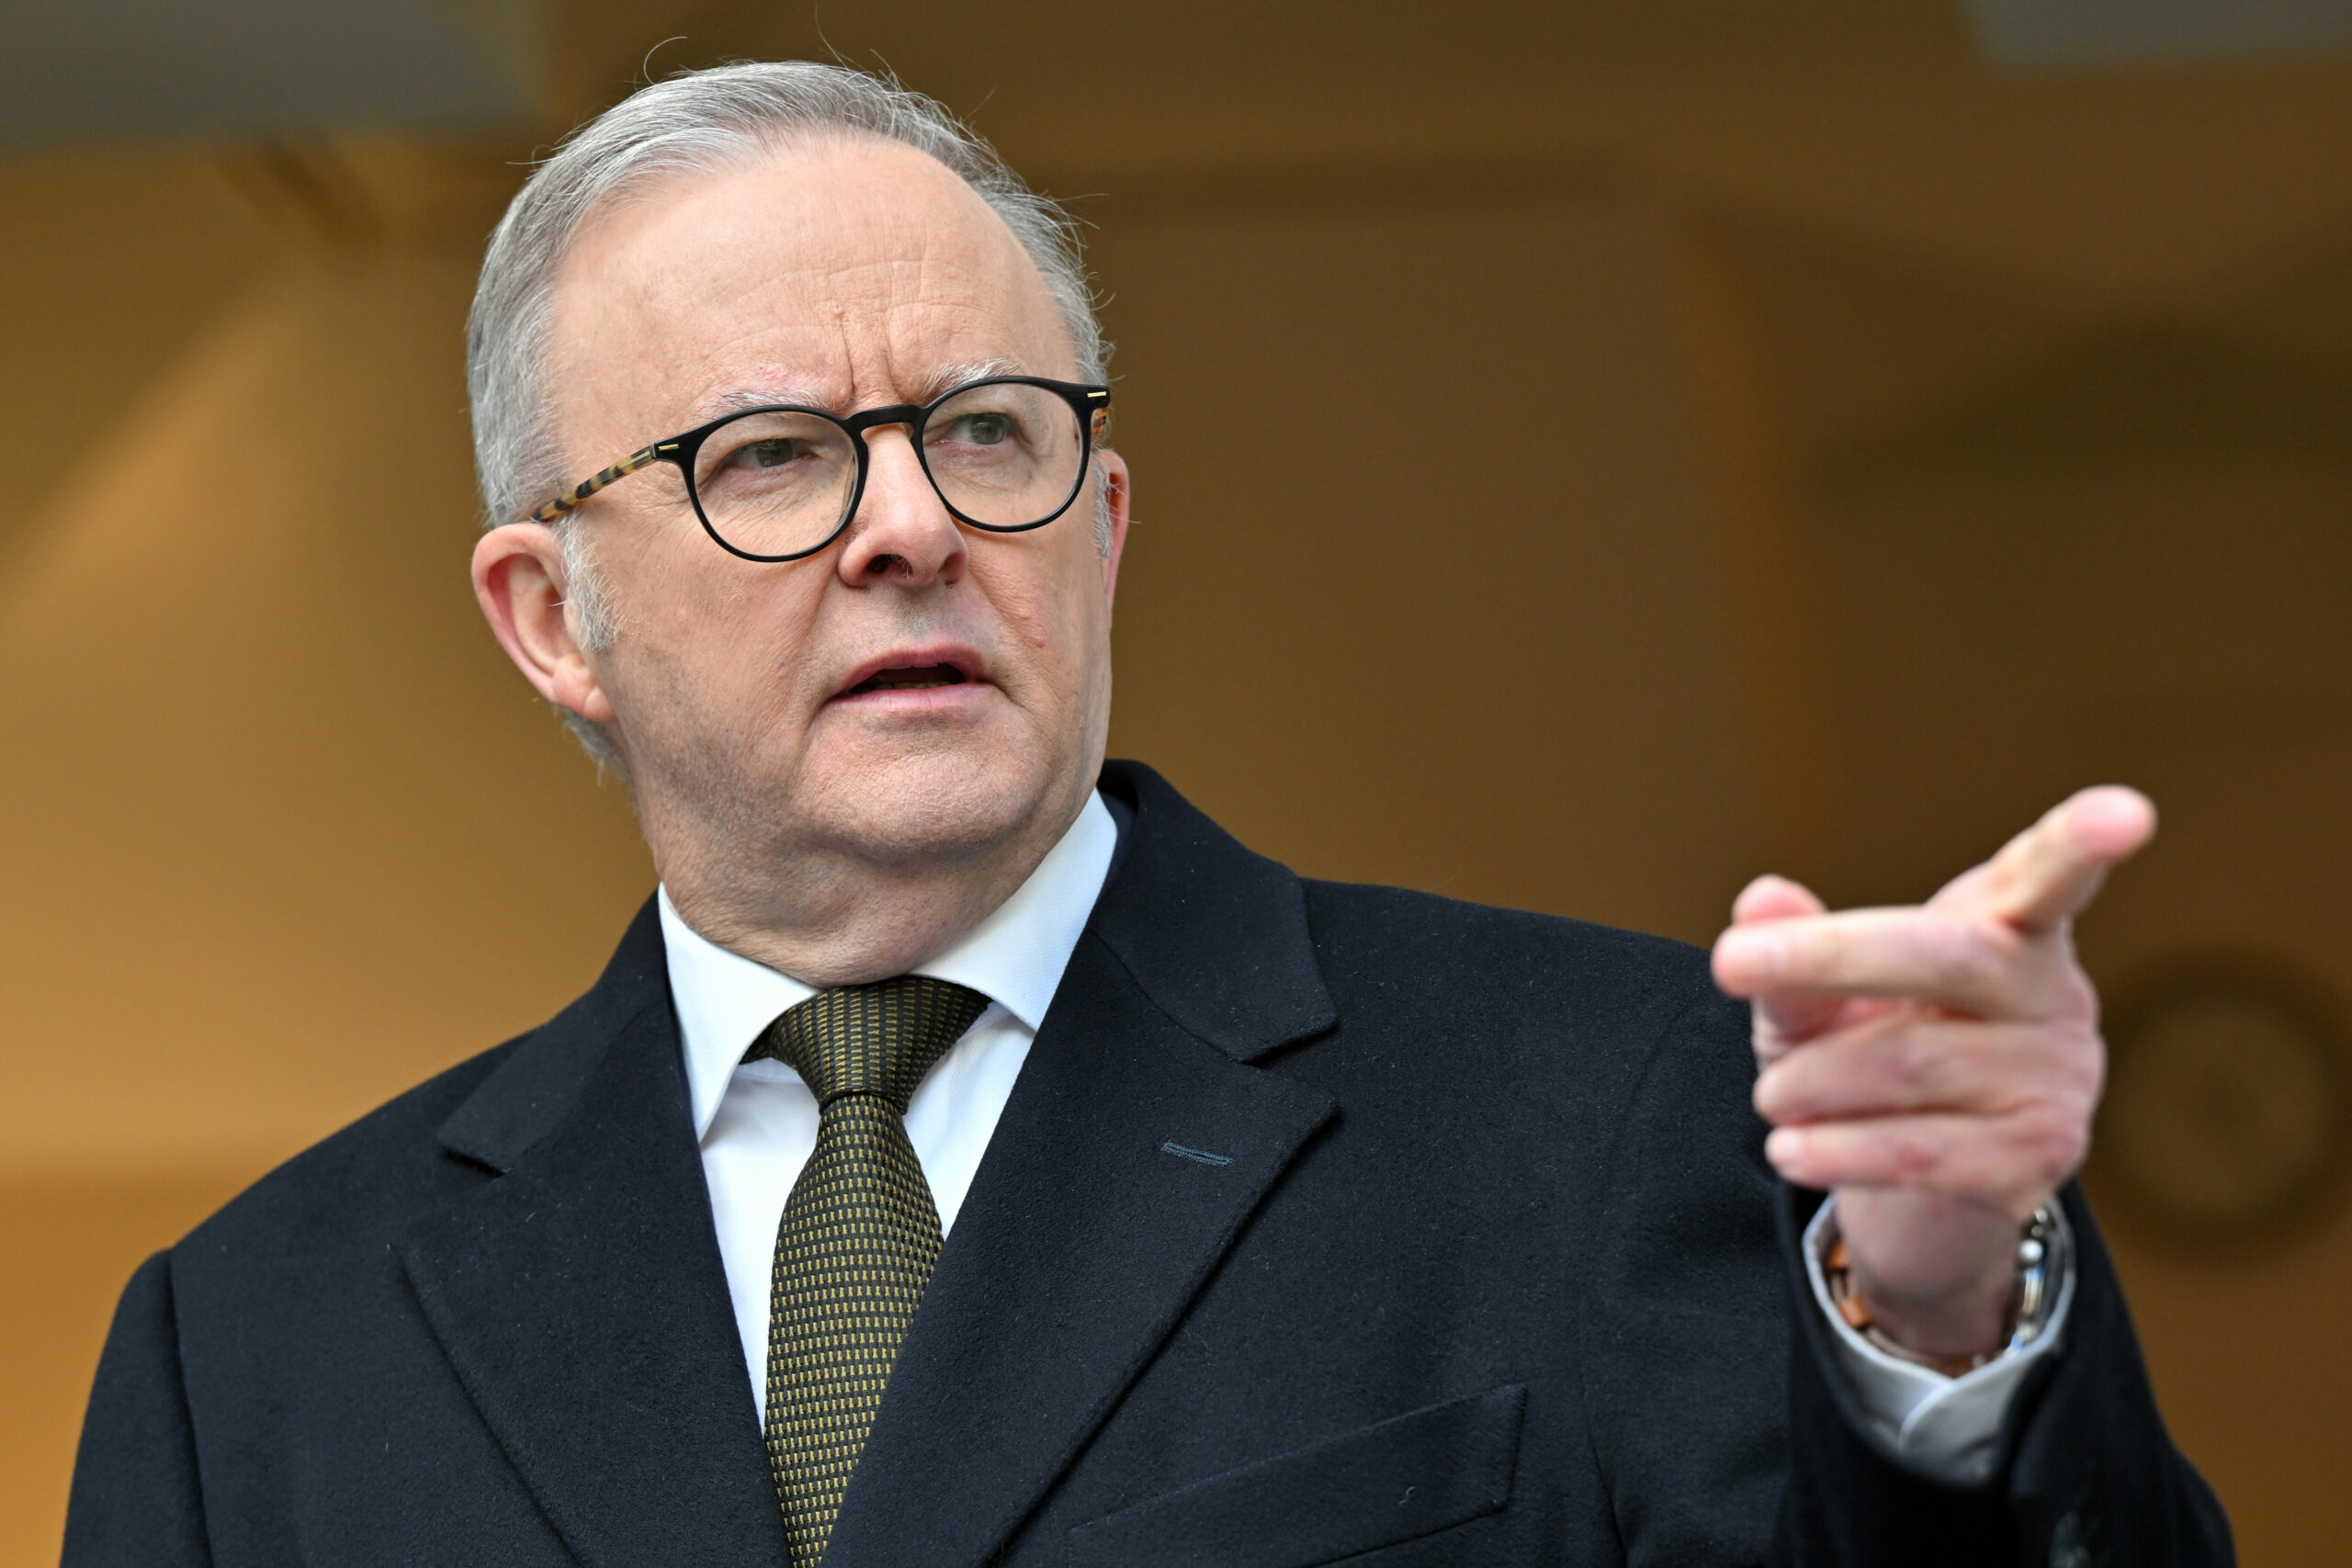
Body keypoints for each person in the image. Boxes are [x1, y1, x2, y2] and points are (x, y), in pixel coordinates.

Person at [62, 62, 2230, 1567]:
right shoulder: (251, 1341)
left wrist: (1941, 1316)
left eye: (985, 431)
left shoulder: (1619, 1105)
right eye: (774, 457)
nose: (912, 523)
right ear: (552, 613)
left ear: (1099, 523)